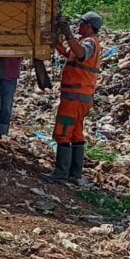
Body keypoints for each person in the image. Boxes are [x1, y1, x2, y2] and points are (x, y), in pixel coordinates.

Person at [45, 12, 102, 185]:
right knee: (76, 134)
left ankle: (61, 173)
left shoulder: (90, 43)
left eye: (81, 23)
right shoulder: (86, 41)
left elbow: (80, 53)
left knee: (62, 133)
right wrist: (56, 42)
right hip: (82, 98)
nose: (79, 26)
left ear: (89, 26)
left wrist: (68, 34)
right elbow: (69, 52)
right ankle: (74, 173)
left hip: (74, 98)